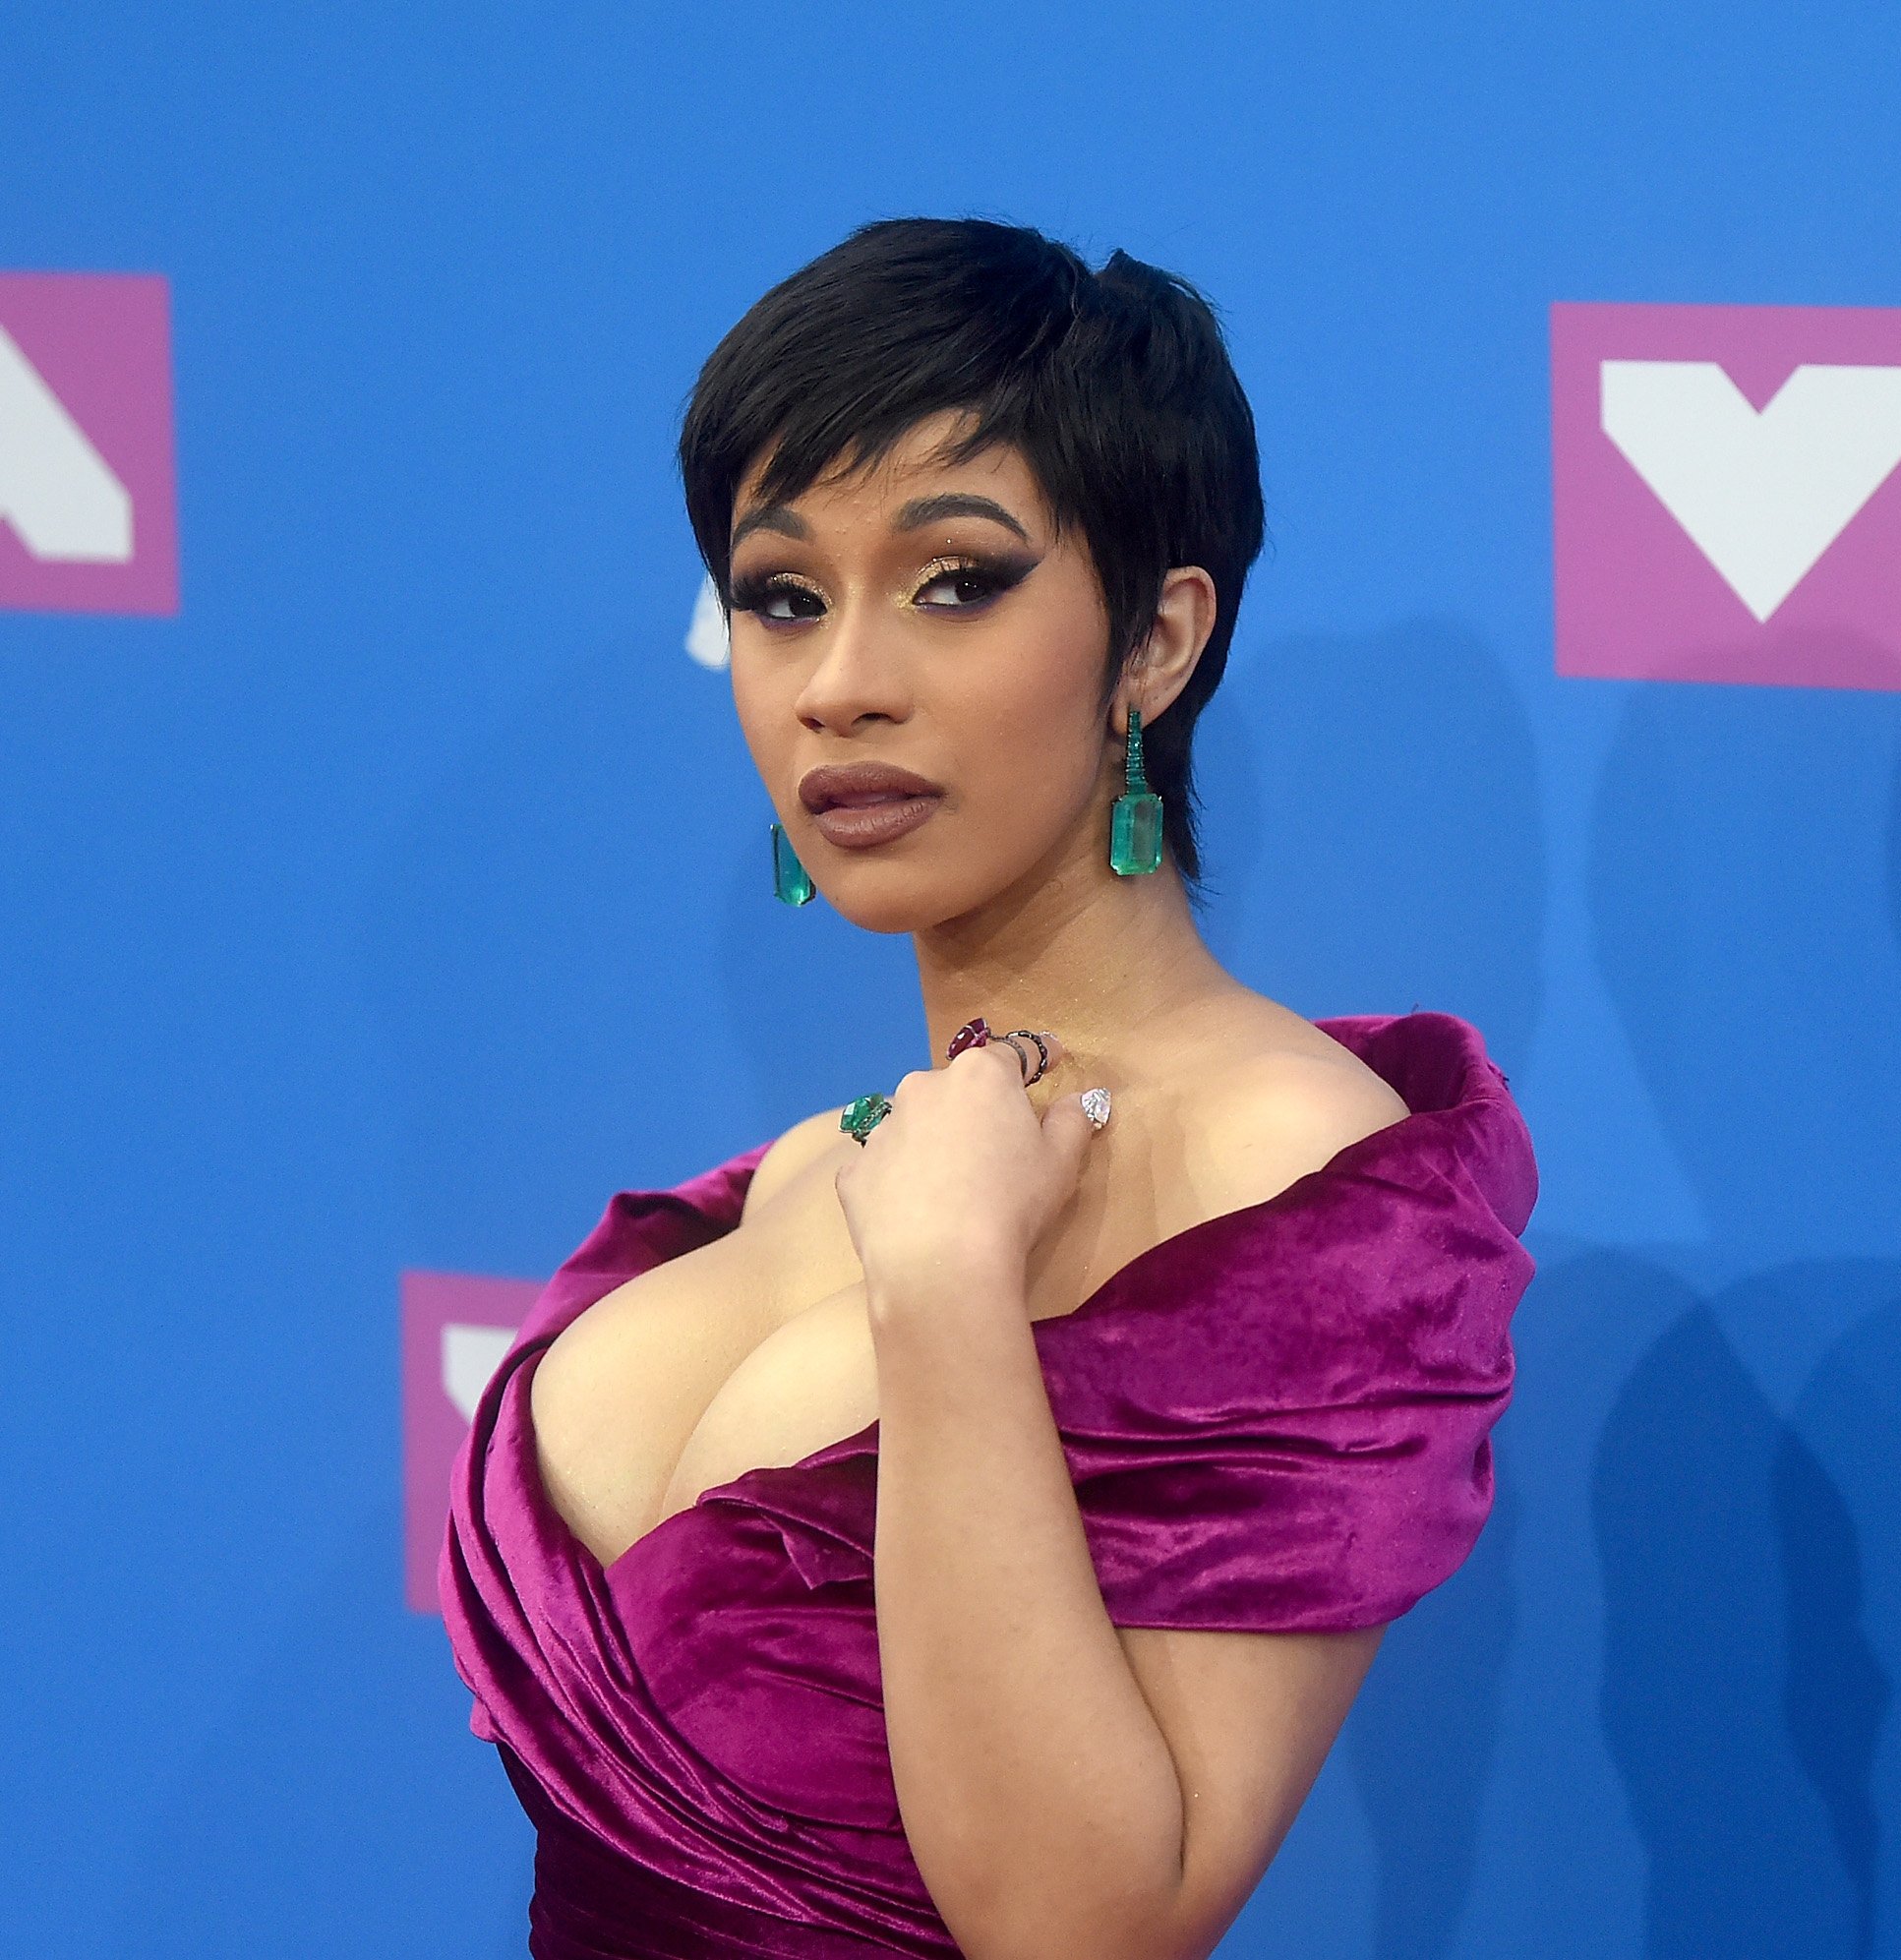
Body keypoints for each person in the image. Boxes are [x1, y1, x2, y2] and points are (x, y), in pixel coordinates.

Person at [441, 218, 1536, 1959]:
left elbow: (1086, 1927)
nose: (842, 686)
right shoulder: (803, 1166)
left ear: (1160, 640)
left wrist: (950, 1290)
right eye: (782, 596)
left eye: (957, 580)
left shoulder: (1297, 1177)